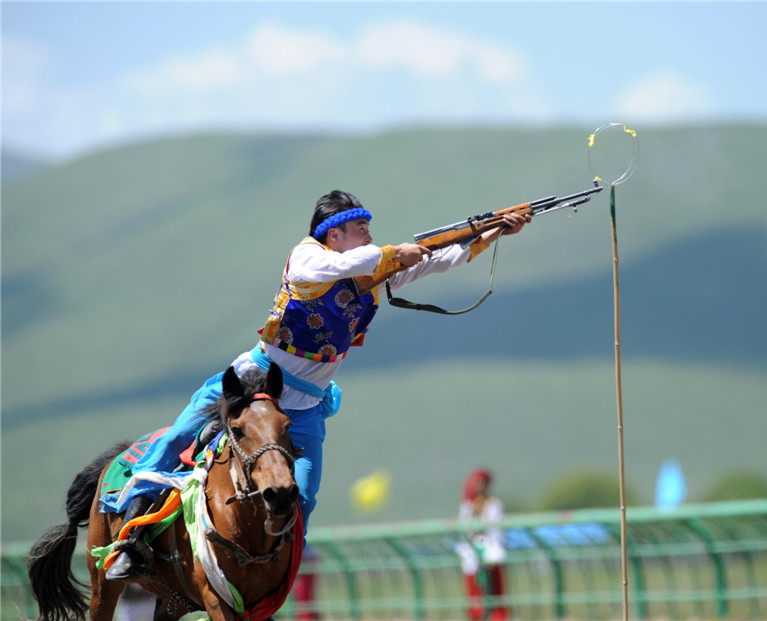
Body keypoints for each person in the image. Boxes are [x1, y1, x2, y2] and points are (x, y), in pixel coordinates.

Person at [102, 189, 530, 581]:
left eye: (368, 228)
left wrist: (492, 232)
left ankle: (269, 574)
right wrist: (392, 253)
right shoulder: (307, 257)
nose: (369, 234)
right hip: (253, 384)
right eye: (359, 227)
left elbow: (439, 259)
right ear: (333, 234)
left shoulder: (372, 271)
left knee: (303, 496)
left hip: (306, 405)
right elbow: (342, 266)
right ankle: (128, 537)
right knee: (176, 437)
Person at [455, 468, 510, 621]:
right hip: (472, 551)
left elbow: (496, 529)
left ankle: (497, 616)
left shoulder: (493, 504)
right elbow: (464, 529)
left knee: (494, 590)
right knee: (475, 593)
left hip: (490, 548)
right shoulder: (467, 506)